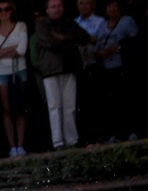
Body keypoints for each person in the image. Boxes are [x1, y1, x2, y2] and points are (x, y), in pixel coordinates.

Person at [36, 0, 90, 149]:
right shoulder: (42, 24)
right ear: (47, 9)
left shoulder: (69, 22)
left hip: (70, 67)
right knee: (54, 106)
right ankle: (58, 141)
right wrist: (69, 41)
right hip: (51, 69)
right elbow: (49, 42)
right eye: (53, 6)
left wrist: (63, 38)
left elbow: (84, 37)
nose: (57, 9)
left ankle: (71, 140)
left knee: (69, 106)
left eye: (59, 6)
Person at [0, 1, 30, 156]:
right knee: (7, 108)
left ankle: (21, 145)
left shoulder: (21, 26)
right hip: (0, 72)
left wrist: (1, 51)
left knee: (20, 107)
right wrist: (13, 48)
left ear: (12, 10)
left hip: (19, 70)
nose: (3, 12)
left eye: (6, 9)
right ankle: (12, 147)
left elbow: (22, 50)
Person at [93, 0, 140, 141]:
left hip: (124, 68)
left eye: (114, 5)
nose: (111, 9)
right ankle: (115, 134)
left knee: (127, 100)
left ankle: (132, 131)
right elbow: (96, 48)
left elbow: (136, 41)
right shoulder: (102, 26)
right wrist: (102, 52)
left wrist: (119, 47)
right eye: (109, 6)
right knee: (112, 104)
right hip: (108, 69)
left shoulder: (127, 21)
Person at [75, 0, 107, 143]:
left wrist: (82, 39)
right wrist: (88, 39)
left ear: (93, 5)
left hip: (96, 65)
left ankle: (100, 135)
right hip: (79, 67)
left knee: (97, 101)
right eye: (81, 3)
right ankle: (85, 138)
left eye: (87, 3)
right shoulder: (74, 22)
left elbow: (100, 39)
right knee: (82, 103)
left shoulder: (100, 21)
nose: (84, 6)